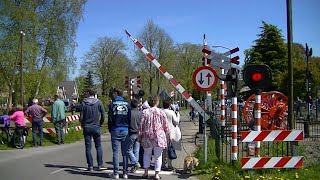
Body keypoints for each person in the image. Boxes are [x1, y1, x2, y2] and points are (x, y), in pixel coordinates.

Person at [139, 95, 170, 180]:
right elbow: (166, 125)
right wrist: (168, 134)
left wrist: (140, 136)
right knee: (158, 156)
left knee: (146, 154)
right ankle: (156, 174)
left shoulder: (144, 112)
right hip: (158, 136)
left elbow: (141, 125)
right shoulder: (161, 112)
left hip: (147, 135)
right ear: (157, 102)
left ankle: (146, 172)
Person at [79, 88, 105, 171]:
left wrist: (82, 124)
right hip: (96, 126)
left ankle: (90, 165)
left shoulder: (84, 102)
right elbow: (103, 114)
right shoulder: (99, 102)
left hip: (87, 126)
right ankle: (100, 164)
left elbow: (81, 116)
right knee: (98, 146)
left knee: (88, 147)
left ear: (88, 93)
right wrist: (100, 123)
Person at [108, 88, 131, 179]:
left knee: (115, 152)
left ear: (116, 93)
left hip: (115, 129)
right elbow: (129, 118)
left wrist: (110, 129)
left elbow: (110, 119)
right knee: (125, 152)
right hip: (125, 129)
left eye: (113, 93)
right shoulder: (127, 104)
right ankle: (125, 173)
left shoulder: (112, 104)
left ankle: (116, 173)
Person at [162, 99, 181, 171]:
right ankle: (170, 165)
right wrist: (178, 114)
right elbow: (176, 122)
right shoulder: (171, 112)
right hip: (170, 132)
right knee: (170, 148)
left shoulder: (161, 112)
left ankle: (163, 164)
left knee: (163, 149)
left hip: (162, 132)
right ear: (169, 105)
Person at [126, 99, 142, 173]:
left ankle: (135, 163)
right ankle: (134, 166)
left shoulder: (129, 113)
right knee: (136, 150)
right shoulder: (140, 113)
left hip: (131, 133)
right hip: (138, 133)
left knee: (128, 150)